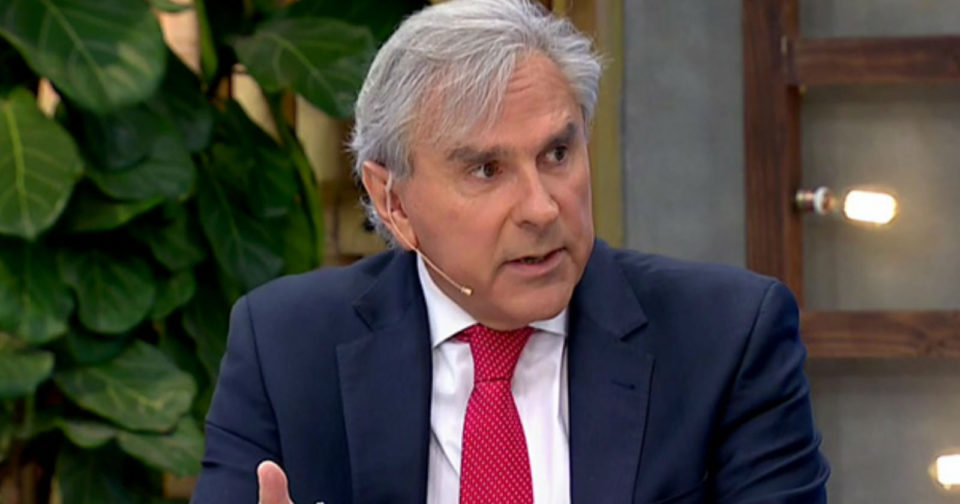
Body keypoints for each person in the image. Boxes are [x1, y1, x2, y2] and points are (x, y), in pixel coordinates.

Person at [190, 0, 830, 503]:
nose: (541, 208)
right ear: (393, 202)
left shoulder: (727, 337)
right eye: (486, 170)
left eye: (557, 153)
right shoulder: (284, 346)